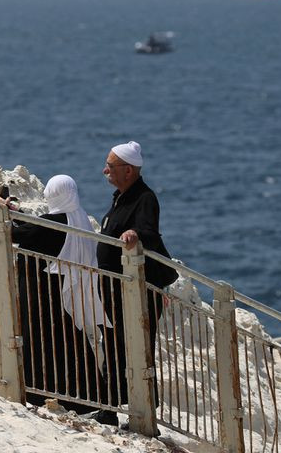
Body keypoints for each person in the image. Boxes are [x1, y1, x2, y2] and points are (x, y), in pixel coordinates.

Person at [0, 175, 109, 413]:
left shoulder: (51, 223)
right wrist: (16, 212)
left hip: (41, 293)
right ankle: (87, 397)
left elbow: (18, 234)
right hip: (67, 292)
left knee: (41, 342)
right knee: (69, 343)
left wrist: (1, 213)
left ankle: (38, 394)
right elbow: (34, 228)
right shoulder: (78, 219)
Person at [91, 141, 178, 427]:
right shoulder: (122, 196)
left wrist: (134, 233)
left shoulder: (145, 198)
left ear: (128, 170)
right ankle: (110, 408)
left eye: (111, 167)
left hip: (133, 291)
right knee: (116, 347)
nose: (105, 171)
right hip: (116, 289)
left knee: (136, 349)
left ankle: (141, 413)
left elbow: (149, 231)